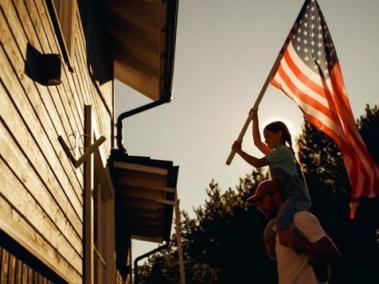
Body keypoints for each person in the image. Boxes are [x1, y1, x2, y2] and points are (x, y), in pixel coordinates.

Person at [232, 108, 311, 246]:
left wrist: (239, 151)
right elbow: (257, 142)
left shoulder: (283, 152)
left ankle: (301, 246)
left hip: (297, 197)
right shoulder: (277, 154)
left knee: (281, 221)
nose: (265, 140)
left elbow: (257, 163)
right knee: (271, 228)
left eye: (268, 135)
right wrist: (254, 119)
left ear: (279, 134)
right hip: (288, 197)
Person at [252, 185, 341, 284]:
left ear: (275, 196)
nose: (259, 207)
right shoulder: (278, 229)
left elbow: (333, 253)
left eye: (261, 201)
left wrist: (298, 244)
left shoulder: (300, 217)